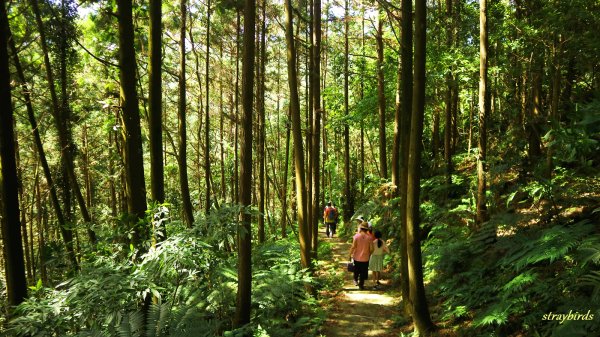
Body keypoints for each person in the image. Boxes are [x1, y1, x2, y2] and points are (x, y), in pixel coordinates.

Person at [349, 223, 373, 290]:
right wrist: (369, 254)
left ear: (361, 228)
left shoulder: (356, 236)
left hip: (356, 257)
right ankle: (361, 285)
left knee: (356, 270)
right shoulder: (369, 238)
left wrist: (349, 255)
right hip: (365, 258)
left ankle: (355, 280)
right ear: (366, 229)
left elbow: (353, 247)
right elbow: (371, 249)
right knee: (363, 271)